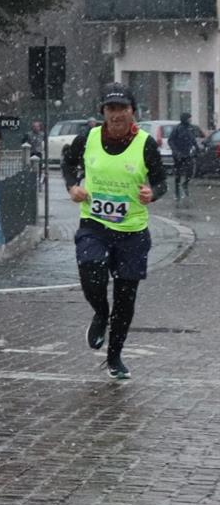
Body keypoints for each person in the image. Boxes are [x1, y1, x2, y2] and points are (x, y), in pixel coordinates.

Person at [63, 88, 165, 380]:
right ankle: (100, 311)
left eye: (122, 108)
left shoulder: (145, 143)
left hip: (132, 231)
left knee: (125, 297)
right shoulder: (88, 138)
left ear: (133, 111)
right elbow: (69, 163)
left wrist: (152, 193)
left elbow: (160, 181)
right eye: (111, 109)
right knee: (91, 270)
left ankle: (114, 357)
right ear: (103, 112)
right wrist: (73, 186)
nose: (116, 115)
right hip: (94, 224)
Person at [168, 111, 199, 199]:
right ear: (185, 119)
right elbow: (170, 141)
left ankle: (185, 184)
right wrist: (176, 151)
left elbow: (193, 139)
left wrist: (197, 148)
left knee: (190, 171)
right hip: (178, 155)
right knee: (178, 174)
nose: (190, 120)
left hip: (187, 154)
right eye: (189, 118)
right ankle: (177, 191)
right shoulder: (177, 128)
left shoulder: (191, 128)